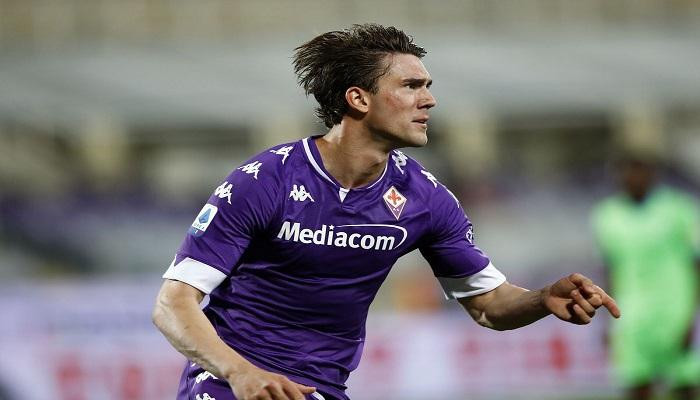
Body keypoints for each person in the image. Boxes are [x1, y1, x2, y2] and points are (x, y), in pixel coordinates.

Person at [153, 24, 620, 400]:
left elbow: (487, 304)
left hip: (320, 389)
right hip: (228, 383)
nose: (429, 100)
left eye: (427, 86)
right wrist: (239, 372)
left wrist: (542, 298)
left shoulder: (426, 200)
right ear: (359, 99)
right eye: (411, 86)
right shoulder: (265, 180)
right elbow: (173, 304)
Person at [592, 154, 700, 400]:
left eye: (640, 171)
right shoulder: (607, 215)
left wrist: (692, 314)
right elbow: (610, 268)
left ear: (653, 175)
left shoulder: (679, 209)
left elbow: (695, 264)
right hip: (630, 312)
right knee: (636, 382)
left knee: (685, 382)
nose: (634, 178)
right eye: (628, 172)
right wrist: (606, 319)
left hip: (673, 311)